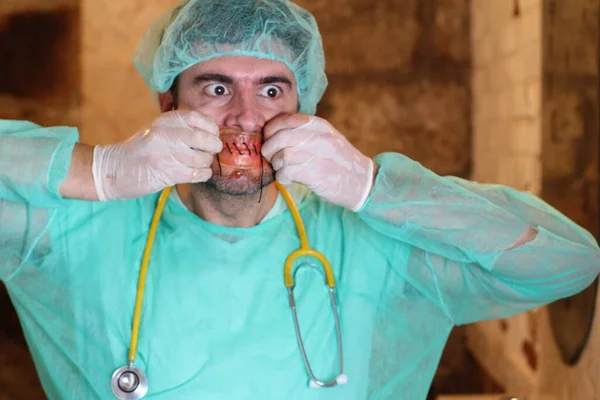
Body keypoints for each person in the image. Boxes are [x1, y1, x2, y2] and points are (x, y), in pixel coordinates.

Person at [0, 0, 598, 399]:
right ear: (167, 105)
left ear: (303, 108)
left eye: (271, 89)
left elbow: (567, 261)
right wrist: (96, 169)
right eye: (215, 87)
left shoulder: (372, 246)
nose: (244, 117)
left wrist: (375, 187)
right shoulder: (72, 234)